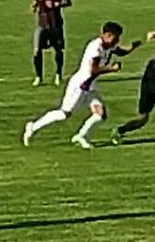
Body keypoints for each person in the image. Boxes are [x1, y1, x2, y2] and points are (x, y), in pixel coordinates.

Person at [22, 21, 141, 150]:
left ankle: (81, 136)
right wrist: (111, 69)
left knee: (100, 114)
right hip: (80, 85)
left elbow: (119, 51)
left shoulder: (109, 46)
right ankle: (33, 126)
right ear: (106, 35)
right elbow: (93, 70)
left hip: (91, 86)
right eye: (115, 37)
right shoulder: (95, 48)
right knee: (64, 114)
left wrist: (133, 47)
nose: (117, 40)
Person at [30, 0, 72, 86]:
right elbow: (37, 1)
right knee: (37, 50)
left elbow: (67, 2)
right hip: (41, 23)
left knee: (58, 50)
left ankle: (58, 74)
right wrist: (35, 5)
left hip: (55, 24)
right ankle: (39, 76)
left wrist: (56, 4)